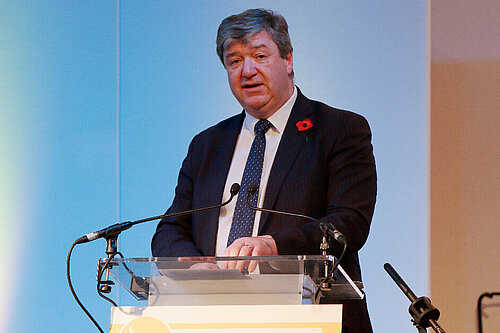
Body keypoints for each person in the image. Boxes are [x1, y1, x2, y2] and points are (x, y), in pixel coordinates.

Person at [152, 8, 376, 332]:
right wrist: (199, 268)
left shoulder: (338, 130)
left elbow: (348, 224)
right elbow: (169, 232)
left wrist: (274, 246)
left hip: (309, 319)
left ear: (288, 60)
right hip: (214, 320)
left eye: (259, 55)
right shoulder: (207, 145)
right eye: (234, 61)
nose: (247, 70)